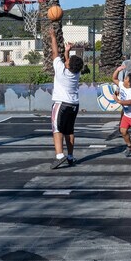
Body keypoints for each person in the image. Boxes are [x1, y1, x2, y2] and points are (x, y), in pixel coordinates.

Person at [48, 26, 84, 169]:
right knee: (70, 131)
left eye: (67, 60)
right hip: (74, 105)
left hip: (61, 104)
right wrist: (67, 52)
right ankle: (70, 156)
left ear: (68, 65)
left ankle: (59, 155)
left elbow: (55, 52)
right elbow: (67, 63)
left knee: (57, 130)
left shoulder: (60, 70)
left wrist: (53, 37)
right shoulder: (75, 74)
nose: (66, 61)